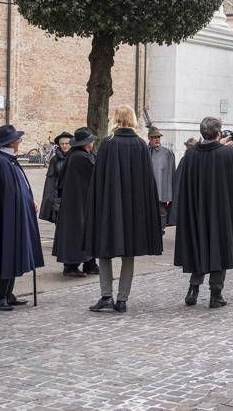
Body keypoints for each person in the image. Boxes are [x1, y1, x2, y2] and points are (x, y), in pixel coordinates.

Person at [84, 105, 163, 314]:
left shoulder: (108, 145)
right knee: (129, 253)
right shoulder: (140, 145)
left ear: (116, 119)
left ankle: (106, 295)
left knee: (104, 251)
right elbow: (148, 182)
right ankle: (122, 299)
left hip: (110, 208)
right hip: (134, 210)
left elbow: (98, 180)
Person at [173, 117, 233, 309]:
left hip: (197, 212)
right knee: (219, 248)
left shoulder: (191, 154)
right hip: (221, 212)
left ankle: (193, 288)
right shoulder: (228, 154)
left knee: (200, 247)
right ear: (218, 133)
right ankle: (215, 294)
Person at [0, 125, 45, 311]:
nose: (20, 142)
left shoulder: (8, 160)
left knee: (11, 253)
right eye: (18, 140)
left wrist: (28, 201)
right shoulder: (0, 162)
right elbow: (5, 194)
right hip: (2, 218)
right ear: (11, 142)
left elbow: (18, 188)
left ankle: (7, 293)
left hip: (13, 214)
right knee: (0, 252)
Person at [52, 127, 99, 277]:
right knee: (77, 233)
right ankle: (72, 266)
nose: (92, 144)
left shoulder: (77, 155)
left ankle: (89, 263)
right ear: (86, 143)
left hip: (78, 201)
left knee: (84, 231)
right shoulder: (80, 157)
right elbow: (95, 174)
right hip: (77, 203)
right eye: (91, 142)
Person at [39, 131, 72, 224]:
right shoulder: (54, 160)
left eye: (67, 143)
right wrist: (51, 201)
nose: (65, 146)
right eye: (62, 144)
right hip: (59, 196)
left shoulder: (75, 157)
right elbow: (50, 182)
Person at [148, 126, 176, 233]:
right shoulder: (144, 151)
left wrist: (170, 193)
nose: (157, 139)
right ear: (149, 138)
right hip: (147, 189)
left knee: (162, 213)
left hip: (161, 189)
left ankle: (160, 231)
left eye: (158, 137)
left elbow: (171, 172)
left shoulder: (167, 153)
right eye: (154, 137)